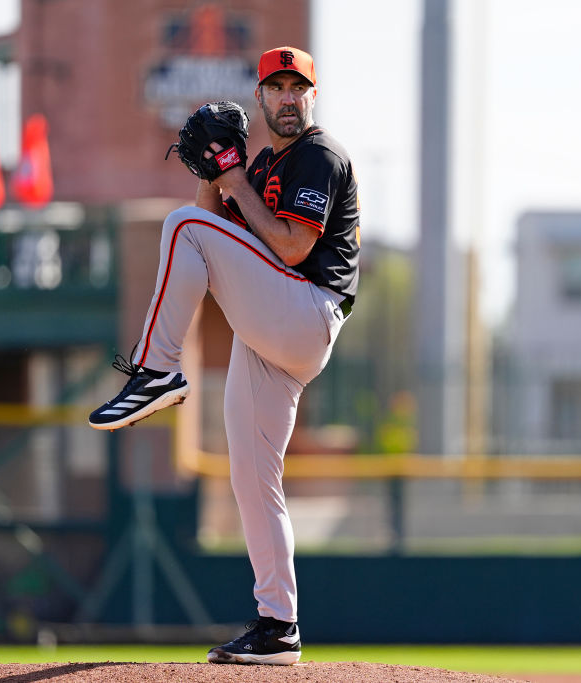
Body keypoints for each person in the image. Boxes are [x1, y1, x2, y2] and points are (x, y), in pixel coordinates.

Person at [88, 46, 359, 665]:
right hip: (275, 330)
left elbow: (290, 247)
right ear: (260, 97)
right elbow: (215, 232)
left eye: (299, 87)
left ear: (312, 97)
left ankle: (157, 369)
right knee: (252, 478)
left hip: (306, 309)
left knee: (178, 227)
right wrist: (211, 173)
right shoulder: (265, 164)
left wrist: (234, 178)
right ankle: (278, 626)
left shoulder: (318, 155)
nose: (288, 97)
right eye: (277, 87)